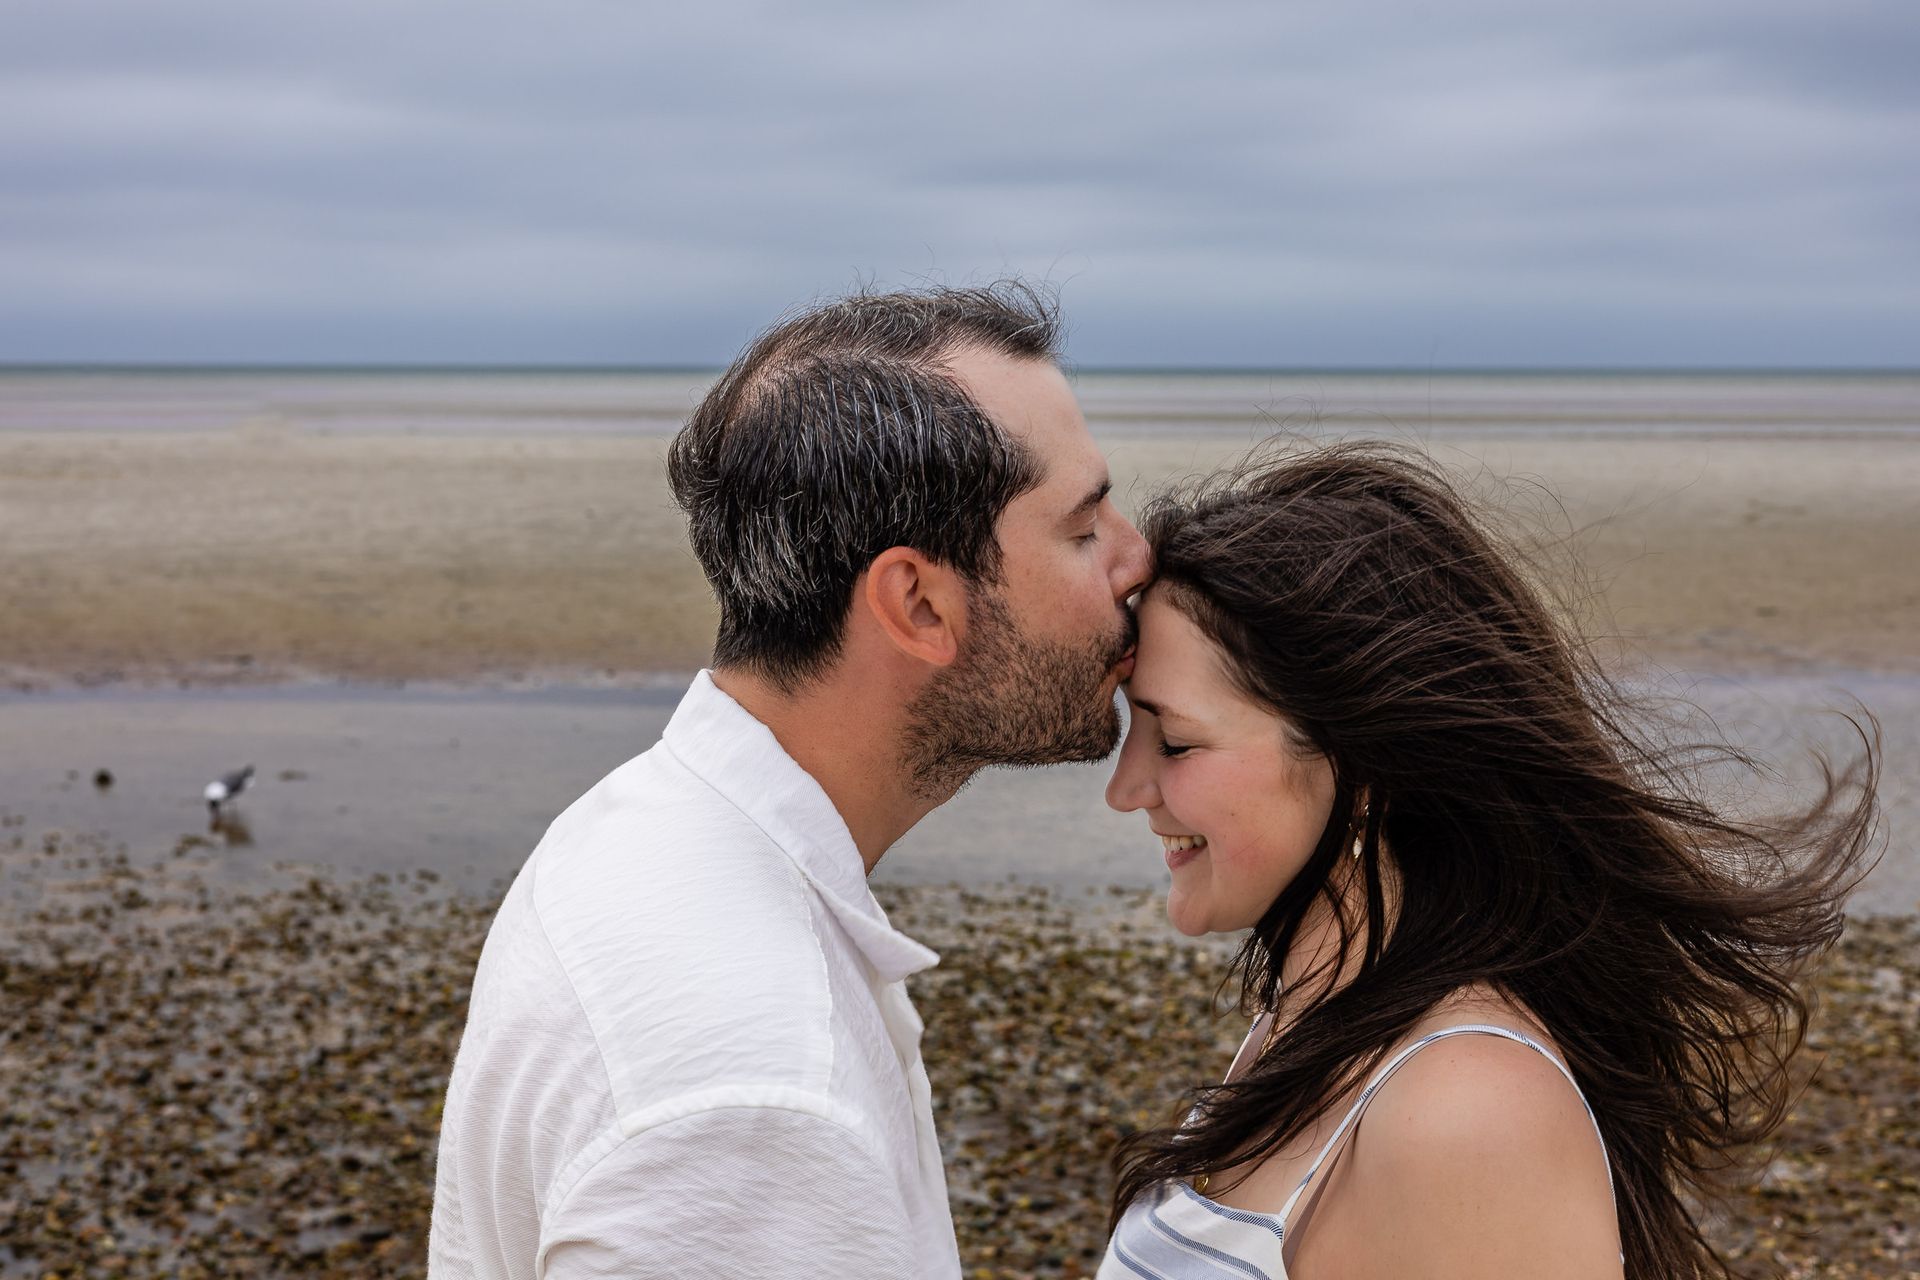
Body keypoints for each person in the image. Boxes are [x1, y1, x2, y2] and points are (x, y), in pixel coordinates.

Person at [427, 284, 1149, 1279]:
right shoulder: (755, 1094)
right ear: (919, 604)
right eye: (1081, 528)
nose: (1137, 556)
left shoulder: (635, 830)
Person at [1097, 443, 1878, 1280]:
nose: (1127, 787)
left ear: (1362, 769)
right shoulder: (1308, 1019)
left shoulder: (1467, 1111)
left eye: (1175, 739)